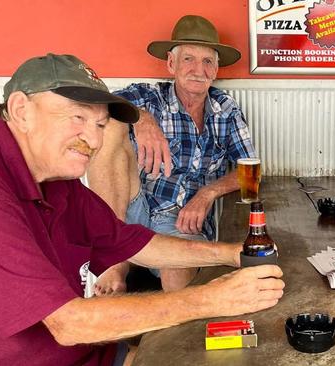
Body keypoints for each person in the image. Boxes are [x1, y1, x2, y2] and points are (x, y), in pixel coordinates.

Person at [0, 53, 284, 366]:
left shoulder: (55, 176)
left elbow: (132, 242)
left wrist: (231, 253)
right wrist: (213, 298)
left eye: (100, 124)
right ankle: (116, 270)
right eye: (77, 117)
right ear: (21, 111)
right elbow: (69, 324)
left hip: (92, 353)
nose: (93, 139)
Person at [89, 15, 255, 292]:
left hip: (181, 220)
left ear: (215, 70)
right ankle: (115, 259)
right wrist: (140, 118)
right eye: (188, 59)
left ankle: (173, 330)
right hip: (132, 207)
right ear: (171, 64)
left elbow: (250, 171)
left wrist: (207, 194)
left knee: (177, 260)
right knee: (112, 125)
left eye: (207, 61)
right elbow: (94, 103)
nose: (197, 70)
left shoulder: (225, 108)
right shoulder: (149, 96)